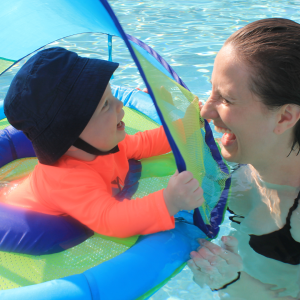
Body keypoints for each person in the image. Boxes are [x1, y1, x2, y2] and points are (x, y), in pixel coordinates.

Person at [3, 47, 204, 238]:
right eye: (106, 105)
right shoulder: (67, 180)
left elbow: (144, 143)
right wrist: (169, 201)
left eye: (111, 96)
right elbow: (111, 219)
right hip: (14, 207)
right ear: (69, 136)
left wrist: (187, 126)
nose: (120, 104)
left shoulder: (104, 144)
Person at [188, 18, 300, 299]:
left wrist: (234, 284)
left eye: (225, 99)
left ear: (284, 116)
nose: (206, 112)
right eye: (211, 89)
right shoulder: (247, 151)